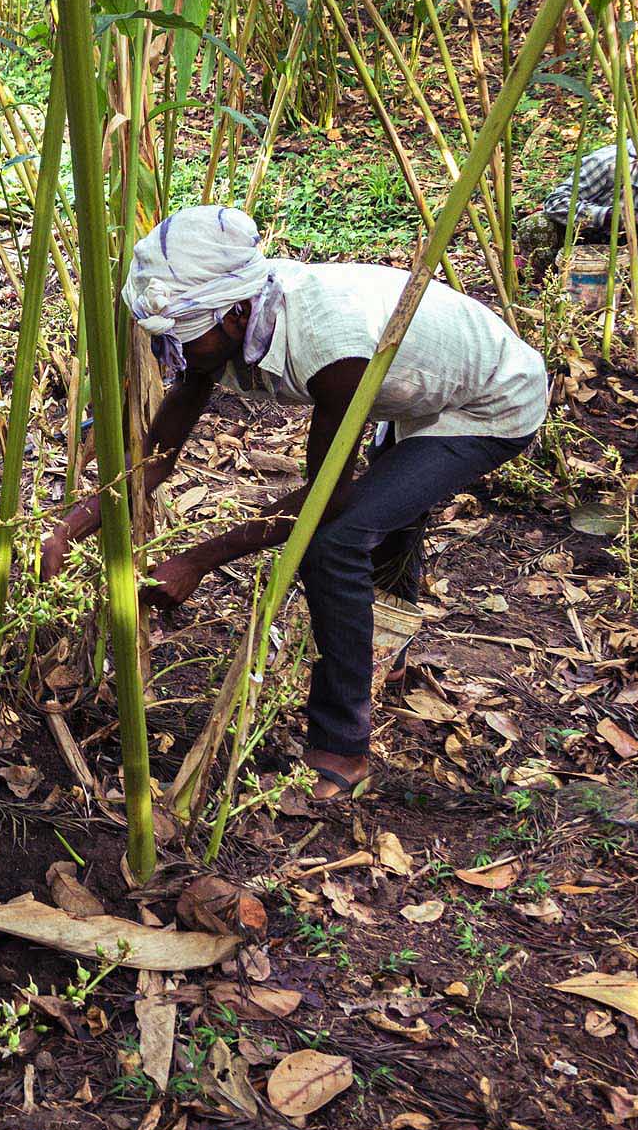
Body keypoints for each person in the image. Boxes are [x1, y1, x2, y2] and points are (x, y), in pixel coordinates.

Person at [42, 206, 548, 801]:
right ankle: (389, 647)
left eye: (180, 334)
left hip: (491, 403)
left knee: (335, 543)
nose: (169, 349)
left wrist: (199, 559)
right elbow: (158, 457)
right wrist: (70, 525)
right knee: (387, 510)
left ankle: (343, 746)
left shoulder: (333, 350)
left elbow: (325, 497)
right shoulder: (223, 326)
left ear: (234, 316)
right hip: (414, 396)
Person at [517, 133, 638, 283]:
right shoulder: (608, 163)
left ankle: (628, 282)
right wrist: (607, 216)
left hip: (627, 246)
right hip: (577, 235)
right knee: (537, 226)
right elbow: (556, 203)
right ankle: (549, 281)